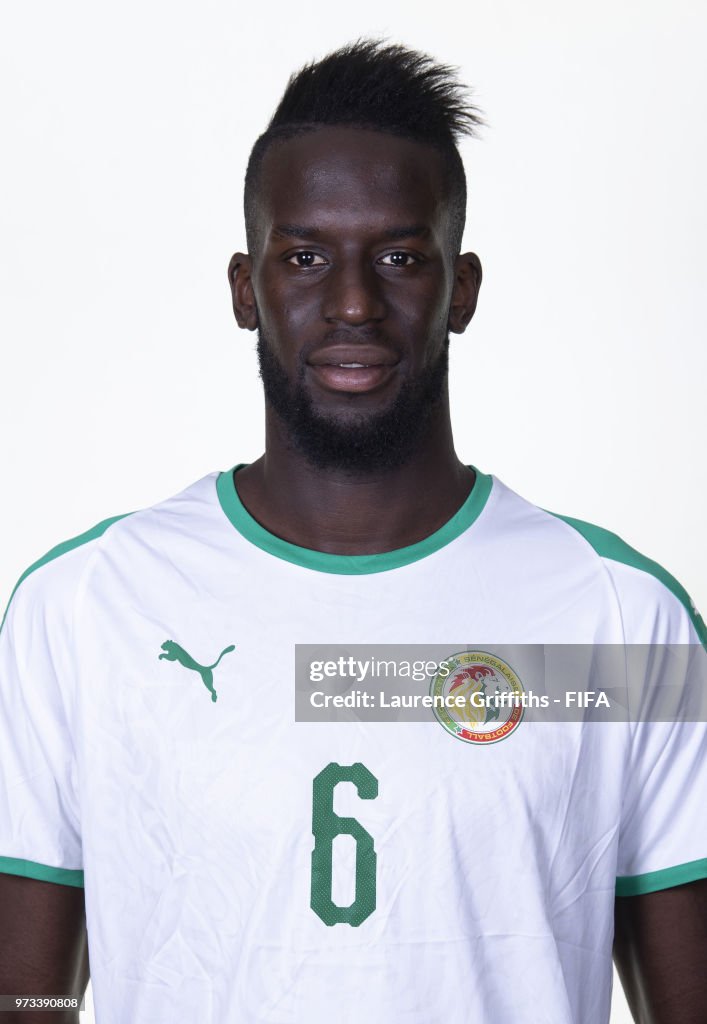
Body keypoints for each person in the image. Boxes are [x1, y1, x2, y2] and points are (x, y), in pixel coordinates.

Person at [0, 38, 705, 1024]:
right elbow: (25, 993)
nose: (351, 303)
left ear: (459, 289)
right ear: (245, 288)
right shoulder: (80, 605)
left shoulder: (621, 620)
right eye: (303, 256)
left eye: (399, 256)